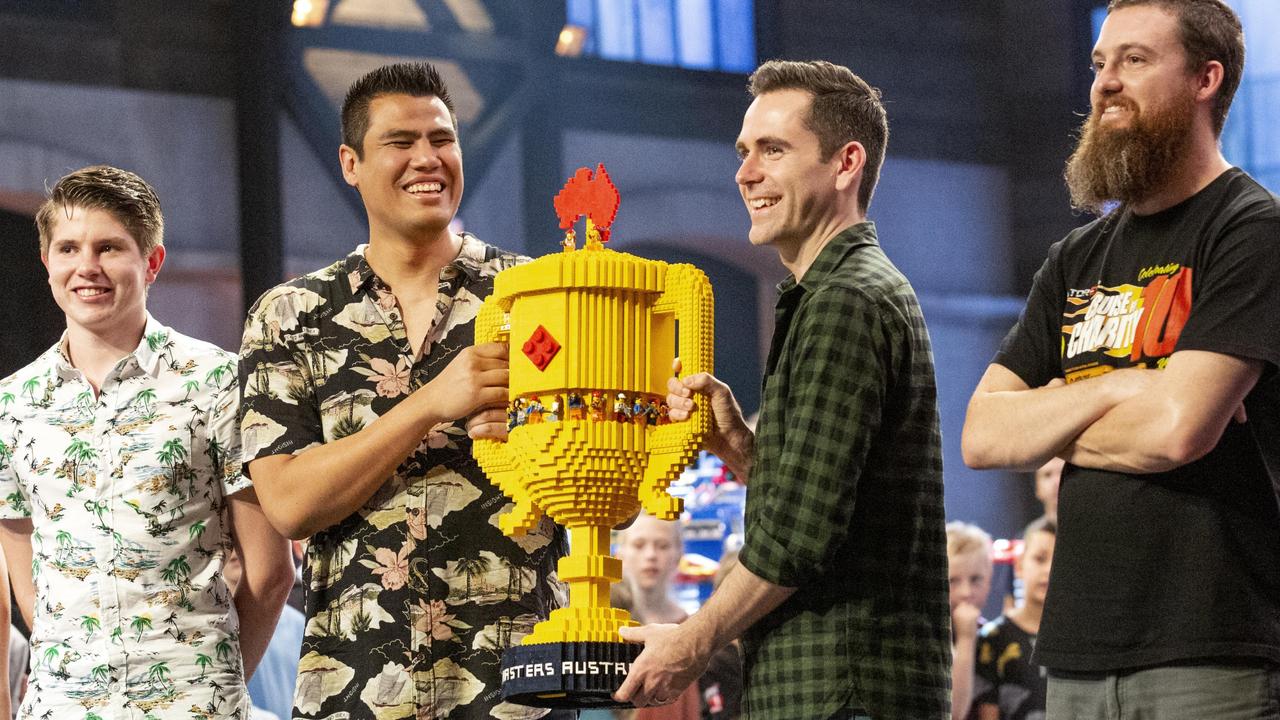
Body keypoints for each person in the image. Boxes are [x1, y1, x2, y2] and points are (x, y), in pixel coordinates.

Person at [961, 0, 1280, 715]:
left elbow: (1177, 431)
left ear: (1205, 79)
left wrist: (1053, 417)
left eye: (1134, 60)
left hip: (1212, 651)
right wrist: (1127, 387)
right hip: (1076, 654)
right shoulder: (1075, 257)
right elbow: (983, 434)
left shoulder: (1251, 232)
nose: (1105, 82)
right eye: (1101, 63)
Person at [610, 59, 951, 719]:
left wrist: (690, 642)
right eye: (743, 152)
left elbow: (796, 537)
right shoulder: (830, 295)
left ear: (845, 162)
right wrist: (737, 443)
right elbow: (831, 506)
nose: (744, 174)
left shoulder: (846, 299)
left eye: (773, 149)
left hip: (841, 690)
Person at [238, 62, 569, 719]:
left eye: (442, 140)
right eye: (400, 142)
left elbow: (599, 490)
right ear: (351, 163)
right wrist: (427, 405)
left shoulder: (540, 297)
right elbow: (290, 503)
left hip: (518, 688)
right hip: (356, 688)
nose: (428, 158)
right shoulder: (291, 315)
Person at [0, 165, 294, 718]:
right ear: (47, 263)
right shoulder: (11, 406)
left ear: (152, 262)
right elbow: (32, 591)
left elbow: (271, 572)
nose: (87, 267)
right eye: (68, 249)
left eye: (109, 247)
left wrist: (211, 685)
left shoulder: (217, 381)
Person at [972, 518, 1056, 720]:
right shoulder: (993, 637)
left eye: (1058, 562)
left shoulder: (1076, 637)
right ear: (1019, 565)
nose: (1049, 570)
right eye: (1040, 558)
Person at [946, 522, 994, 720]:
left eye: (976, 579)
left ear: (989, 580)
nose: (966, 592)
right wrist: (966, 638)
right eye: (953, 581)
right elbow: (954, 714)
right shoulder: (930, 636)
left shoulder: (993, 634)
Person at [1032, 457, 1062, 522]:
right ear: (1037, 487)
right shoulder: (1032, 531)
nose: (1057, 481)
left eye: (1062, 473)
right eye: (1048, 475)